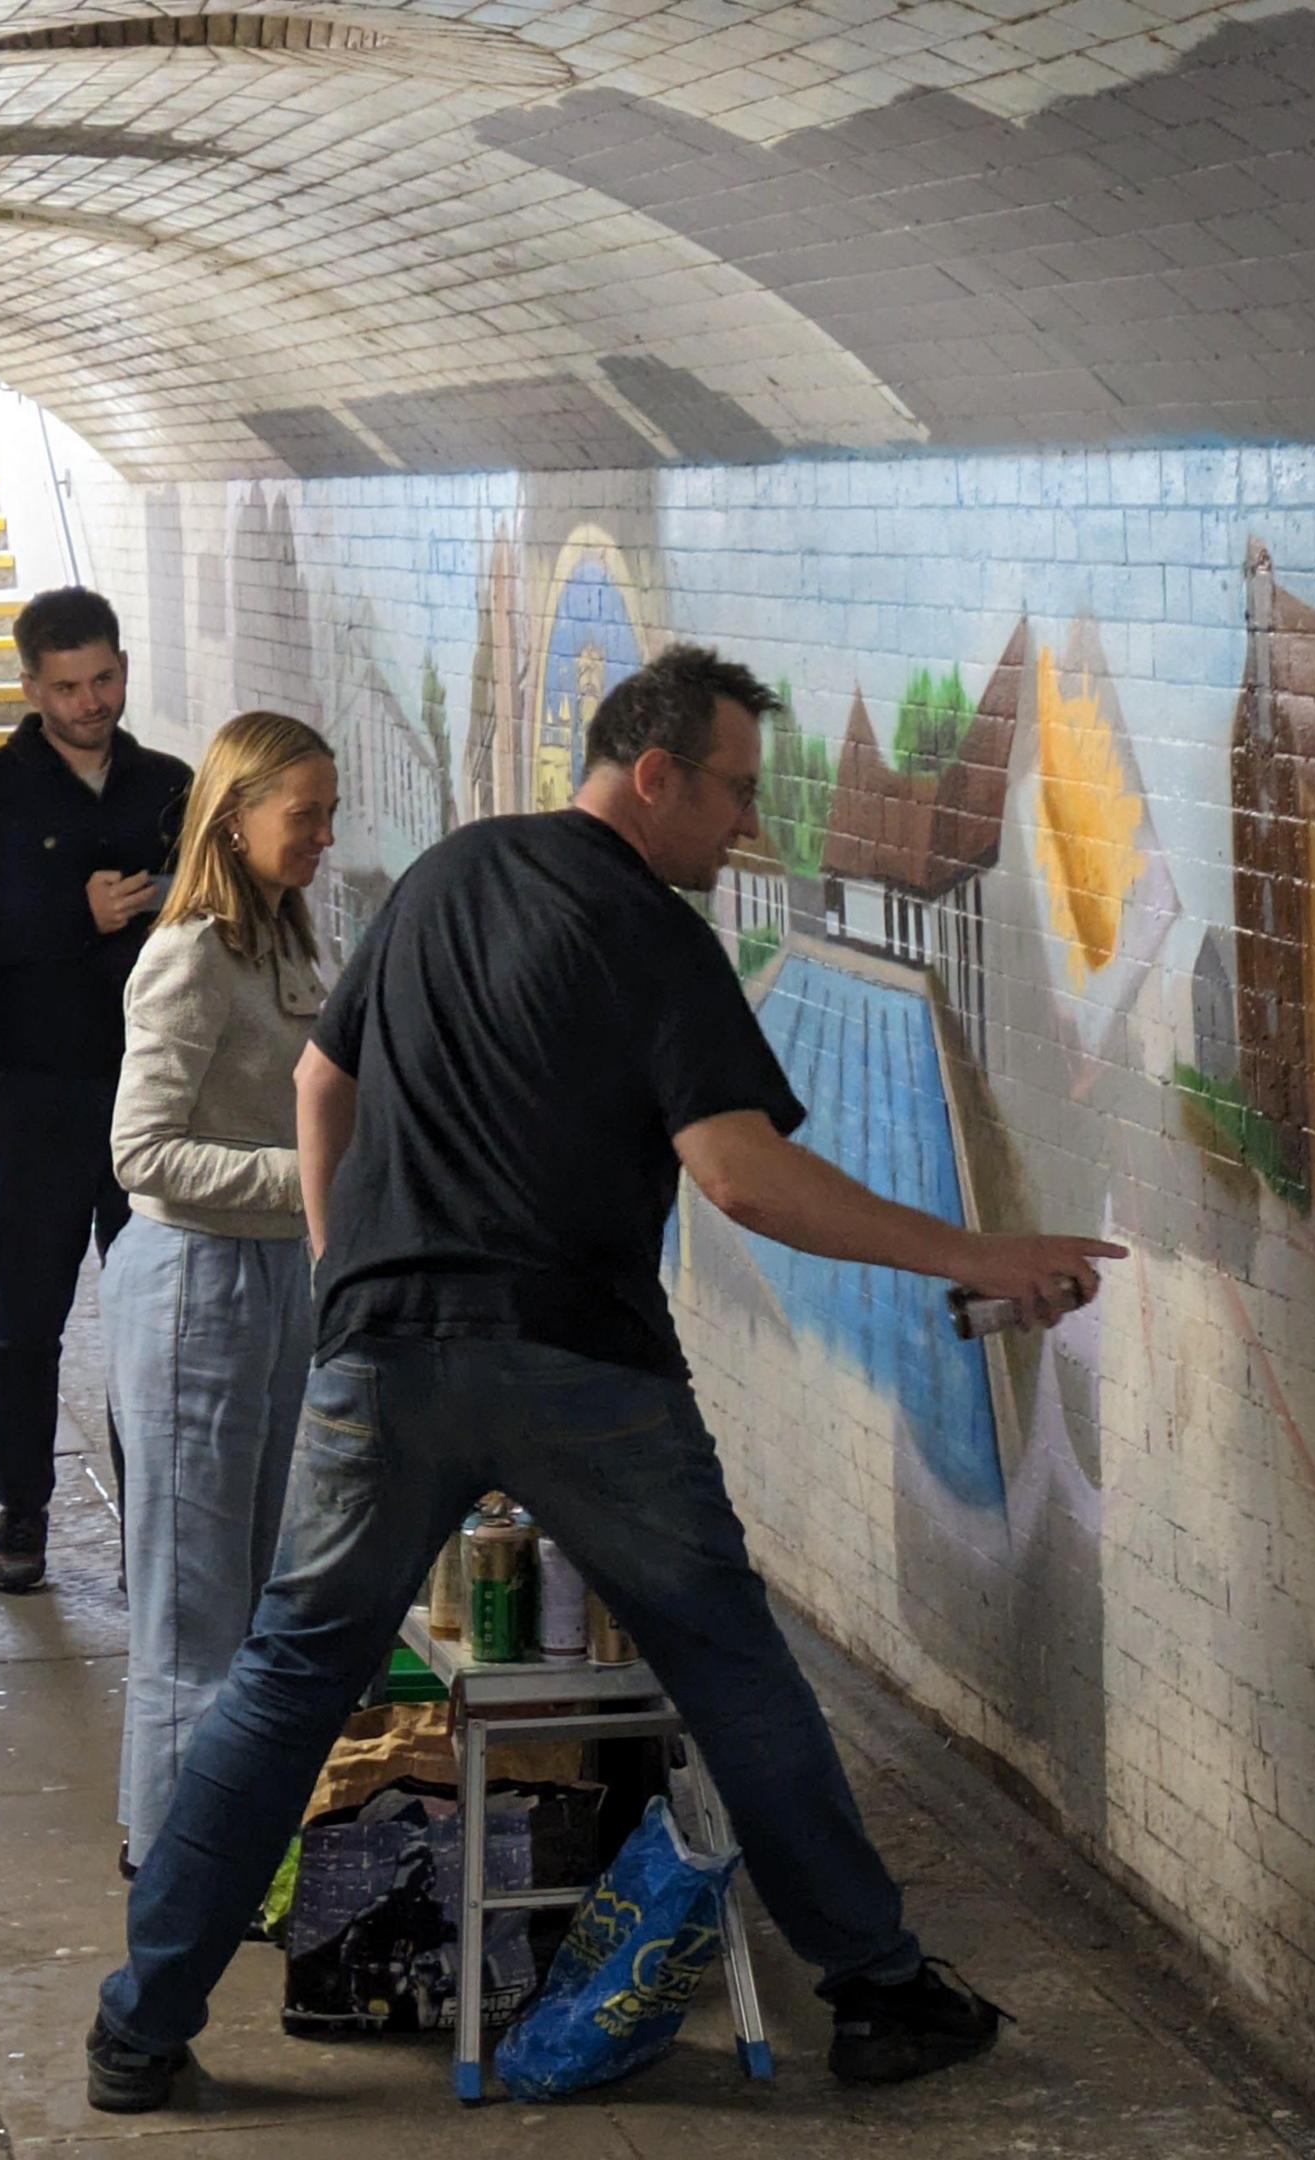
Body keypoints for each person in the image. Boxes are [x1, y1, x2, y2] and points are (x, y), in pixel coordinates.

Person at [82, 646, 1124, 2111]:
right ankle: (879, 1989)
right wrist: (979, 1251)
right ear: (656, 776)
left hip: (384, 1351)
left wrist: (344, 1274)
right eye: (735, 794)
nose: (746, 830)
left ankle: (139, 2026)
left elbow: (326, 1085)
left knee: (289, 1672)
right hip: (581, 1362)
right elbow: (743, 1178)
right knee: (727, 1663)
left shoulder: (445, 879)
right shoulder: (652, 934)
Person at [0, 587, 192, 1595]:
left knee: (152, 1315)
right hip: (36, 1089)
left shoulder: (169, 785)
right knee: (28, 1308)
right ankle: (21, 1510)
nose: (91, 702)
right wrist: (69, 911)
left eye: (106, 680)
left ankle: (151, 1520)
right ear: (31, 685)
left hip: (154, 1095)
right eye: (68, 687)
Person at [104, 711, 339, 1877]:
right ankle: (173, 1861)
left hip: (267, 1272)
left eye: (328, 815)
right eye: (305, 817)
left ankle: (223, 1840)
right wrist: (314, 1177)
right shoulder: (189, 951)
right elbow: (140, 1154)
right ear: (236, 813)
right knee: (190, 1607)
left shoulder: (286, 933)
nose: (322, 838)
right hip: (194, 1282)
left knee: (248, 1592)